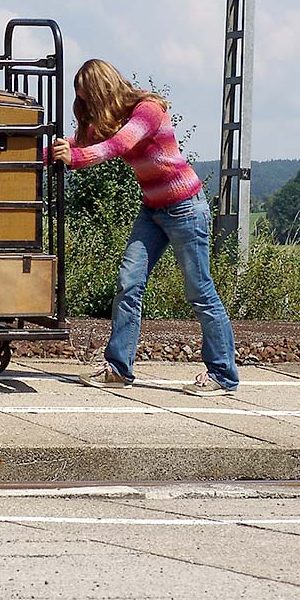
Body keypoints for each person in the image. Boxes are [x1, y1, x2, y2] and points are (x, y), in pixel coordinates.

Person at [49, 59, 239, 396]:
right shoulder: (113, 121)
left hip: (185, 208)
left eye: (88, 98)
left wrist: (74, 159)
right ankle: (118, 369)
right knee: (128, 283)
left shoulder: (147, 111)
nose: (87, 106)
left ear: (102, 90)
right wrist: (46, 152)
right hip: (152, 210)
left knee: (200, 292)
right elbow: (78, 141)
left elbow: (118, 146)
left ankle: (223, 374)